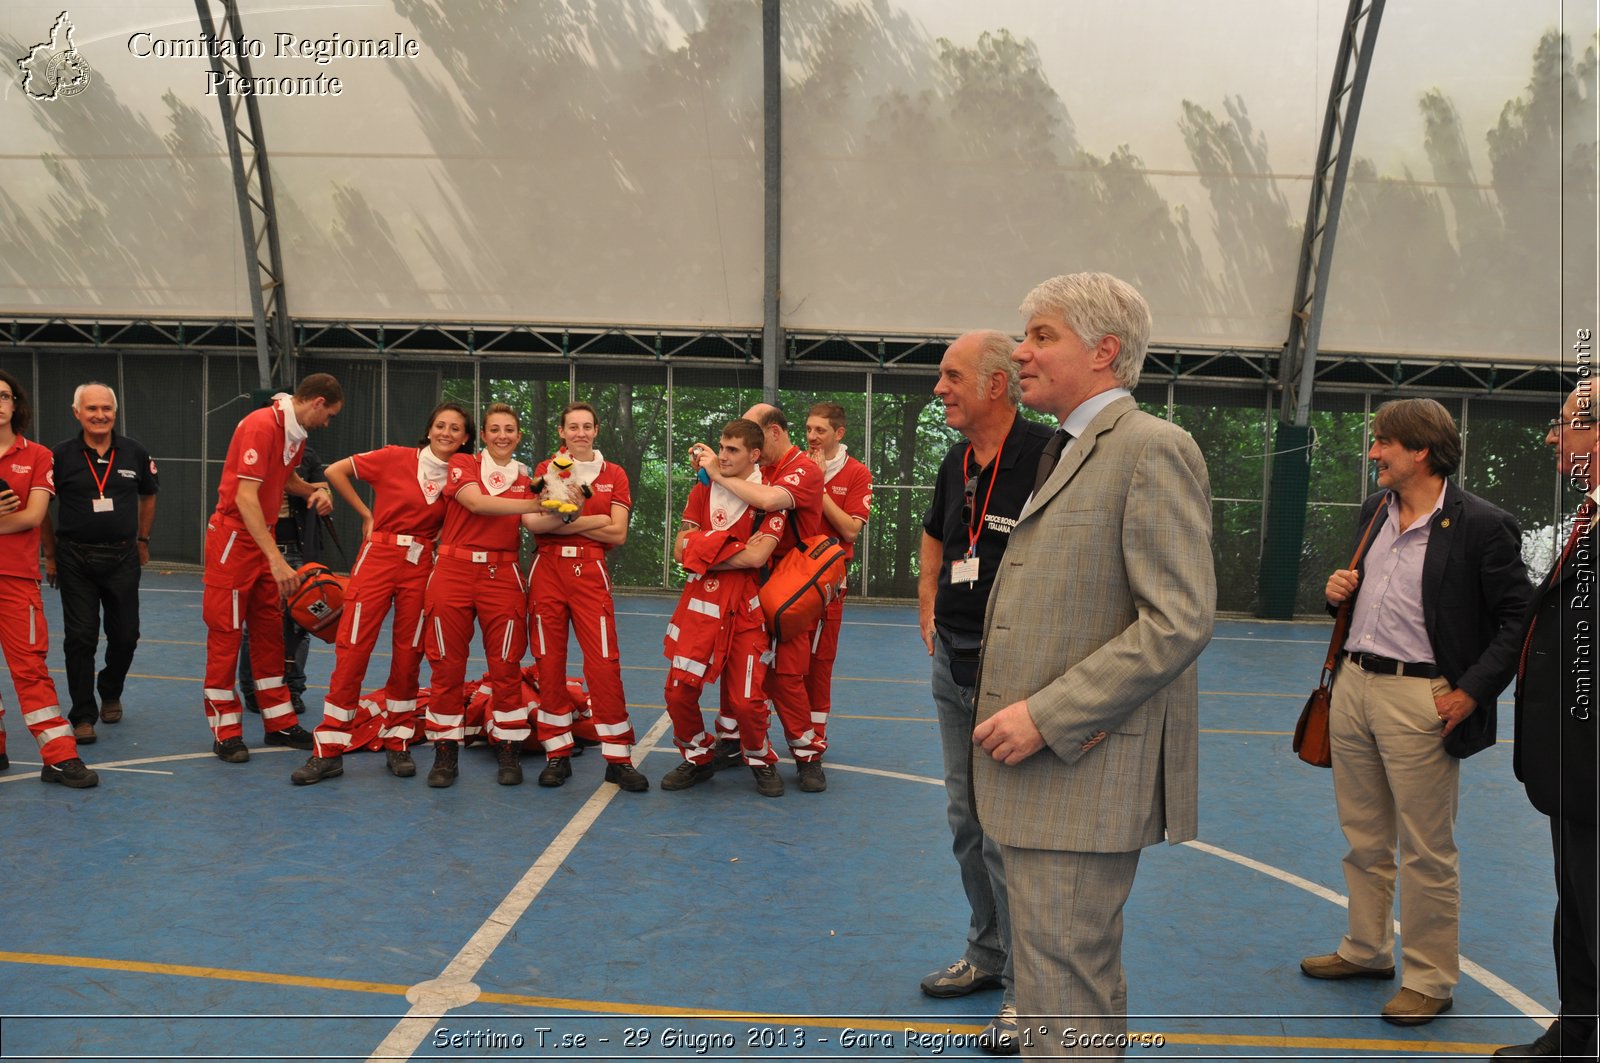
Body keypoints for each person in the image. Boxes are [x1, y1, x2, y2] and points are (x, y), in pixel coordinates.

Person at [972, 273, 1215, 1058]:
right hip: (1049, 779)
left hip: (1078, 768)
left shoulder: (1152, 448)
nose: (1021, 351)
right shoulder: (1067, 446)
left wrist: (1048, 714)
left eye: (1042, 336)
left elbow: (1178, 619)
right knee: (1061, 979)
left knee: (1064, 983)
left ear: (1104, 350)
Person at [1303, 398, 1530, 1027]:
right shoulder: (1373, 511)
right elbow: (1368, 601)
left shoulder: (1484, 525)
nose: (1373, 453)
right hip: (1354, 684)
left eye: (1383, 443)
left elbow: (1518, 618)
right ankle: (1367, 949)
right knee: (1364, 836)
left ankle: (1430, 978)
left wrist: (1473, 691)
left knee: (1427, 850)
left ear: (1421, 451)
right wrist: (1335, 596)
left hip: (1422, 698)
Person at [917, 330, 1053, 1053]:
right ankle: (987, 950)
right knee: (965, 819)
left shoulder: (1047, 456)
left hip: (1015, 671)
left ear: (996, 384)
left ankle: (1026, 991)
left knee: (1009, 834)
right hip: (955, 661)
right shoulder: (955, 460)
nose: (940, 388)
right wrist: (927, 600)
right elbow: (938, 535)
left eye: (951, 375)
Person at [289, 402, 475, 785]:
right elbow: (335, 471)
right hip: (378, 556)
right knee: (353, 646)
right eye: (440, 425)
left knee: (409, 653)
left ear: (466, 438)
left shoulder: (462, 476)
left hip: (421, 562)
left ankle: (398, 740)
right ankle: (329, 750)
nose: (447, 433)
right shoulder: (394, 457)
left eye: (455, 429)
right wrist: (366, 515)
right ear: (429, 429)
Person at [1493, 384, 1599, 1059]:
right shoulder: (1587, 519)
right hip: (1574, 771)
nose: (1552, 437)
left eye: (1565, 424)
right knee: (1580, 912)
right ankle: (1577, 1031)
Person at [203, 374, 342, 763]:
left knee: (269, 633)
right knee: (226, 635)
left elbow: (286, 479)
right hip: (234, 539)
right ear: (316, 402)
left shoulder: (294, 432)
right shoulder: (260, 425)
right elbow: (246, 497)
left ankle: (278, 722)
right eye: (329, 415)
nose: (327, 423)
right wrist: (277, 559)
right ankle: (226, 732)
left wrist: (315, 490)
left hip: (259, 537)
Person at [694, 403, 828, 791]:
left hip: (789, 585)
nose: (741, 445)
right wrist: (711, 465)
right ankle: (733, 742)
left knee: (785, 675)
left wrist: (719, 472)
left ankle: (807, 756)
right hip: (750, 584)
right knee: (734, 667)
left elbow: (769, 502)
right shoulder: (760, 469)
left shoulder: (802, 469)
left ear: (771, 433)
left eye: (750, 435)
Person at [659, 418, 788, 797]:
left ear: (754, 454)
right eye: (722, 447)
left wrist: (705, 549)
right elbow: (681, 548)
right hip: (699, 604)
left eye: (732, 450)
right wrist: (729, 547)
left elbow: (758, 556)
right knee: (678, 692)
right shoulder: (702, 490)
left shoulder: (770, 499)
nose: (723, 456)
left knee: (747, 702)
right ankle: (698, 756)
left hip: (747, 608)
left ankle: (759, 758)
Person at [525, 401, 648, 793]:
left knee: (603, 663)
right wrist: (594, 519)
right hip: (547, 571)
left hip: (591, 571)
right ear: (561, 432)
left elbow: (619, 534)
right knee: (549, 662)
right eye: (572, 426)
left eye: (586, 426)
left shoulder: (614, 473)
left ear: (596, 431)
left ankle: (618, 757)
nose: (579, 432)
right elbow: (535, 526)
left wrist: (570, 519)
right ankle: (557, 754)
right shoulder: (547, 470)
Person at [421, 402, 544, 788]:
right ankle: (445, 751)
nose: (502, 436)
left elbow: (535, 520)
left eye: (510, 429)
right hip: (453, 571)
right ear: (484, 435)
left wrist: (570, 506)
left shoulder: (529, 476)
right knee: (446, 666)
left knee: (507, 665)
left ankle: (508, 745)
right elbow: (476, 502)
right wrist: (538, 501)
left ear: (519, 436)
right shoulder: (464, 463)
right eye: (495, 429)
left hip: (502, 573)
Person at [39, 382, 158, 744]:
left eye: (106, 408)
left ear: (115, 413)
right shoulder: (59, 456)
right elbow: (43, 507)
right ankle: (83, 715)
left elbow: (149, 496)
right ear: (77, 413)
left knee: (126, 636)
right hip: (74, 557)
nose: (100, 415)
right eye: (91, 409)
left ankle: (110, 689)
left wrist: (142, 540)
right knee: (80, 638)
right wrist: (50, 554)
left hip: (123, 556)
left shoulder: (135, 452)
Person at [0, 368, 99, 787]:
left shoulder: (37, 455)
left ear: (15, 405)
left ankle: (58, 757)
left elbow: (34, 516)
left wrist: (14, 516)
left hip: (16, 579)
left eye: (3, 395)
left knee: (31, 669)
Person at [238, 446, 326, 717]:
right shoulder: (252, 456)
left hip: (299, 550)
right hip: (263, 549)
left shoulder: (307, 456)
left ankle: (293, 689)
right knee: (257, 623)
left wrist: (323, 495)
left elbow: (322, 486)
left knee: (303, 622)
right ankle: (253, 690)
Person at [803, 401, 873, 740]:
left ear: (839, 433)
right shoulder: (794, 465)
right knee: (777, 659)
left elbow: (849, 530)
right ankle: (753, 736)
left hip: (829, 581)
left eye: (821, 430)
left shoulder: (857, 473)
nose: (812, 436)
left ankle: (814, 738)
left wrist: (819, 485)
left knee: (819, 661)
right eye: (809, 429)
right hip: (789, 578)